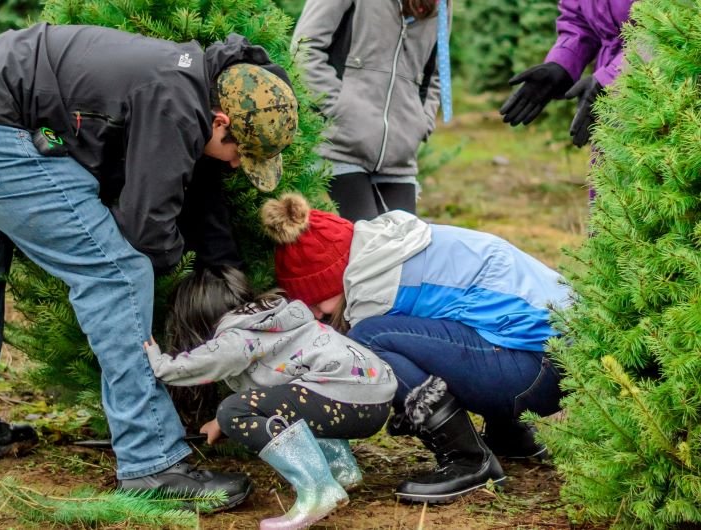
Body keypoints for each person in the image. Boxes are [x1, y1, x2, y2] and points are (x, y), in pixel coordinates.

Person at [0, 22, 298, 509]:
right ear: (220, 122)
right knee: (117, 273)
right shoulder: (177, 103)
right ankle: (151, 460)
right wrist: (173, 274)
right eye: (240, 152)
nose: (236, 165)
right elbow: (146, 229)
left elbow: (165, 185)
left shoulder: (183, 77)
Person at [259, 193, 571, 504]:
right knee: (461, 323)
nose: (315, 313)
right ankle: (509, 435)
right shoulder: (393, 245)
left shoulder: (373, 289)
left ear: (330, 280)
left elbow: (361, 373)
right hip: (562, 360)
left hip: (536, 374)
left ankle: (469, 460)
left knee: (367, 340)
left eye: (313, 301)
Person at [145, 267, 396, 529]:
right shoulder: (273, 319)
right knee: (298, 398)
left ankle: (319, 491)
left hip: (345, 397)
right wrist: (219, 423)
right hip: (373, 398)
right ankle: (340, 469)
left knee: (233, 411)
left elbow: (198, 364)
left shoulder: (236, 336)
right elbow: (281, 395)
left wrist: (158, 362)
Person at [291, 0, 452, 222]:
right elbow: (305, 48)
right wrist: (338, 109)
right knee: (372, 237)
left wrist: (422, 123)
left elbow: (436, 73)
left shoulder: (442, 4)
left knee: (406, 238)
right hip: (341, 145)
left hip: (399, 153)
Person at [499, 0, 637, 148]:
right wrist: (563, 62)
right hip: (612, 72)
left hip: (649, 82)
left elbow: (654, 32)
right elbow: (579, 19)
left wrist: (611, 77)